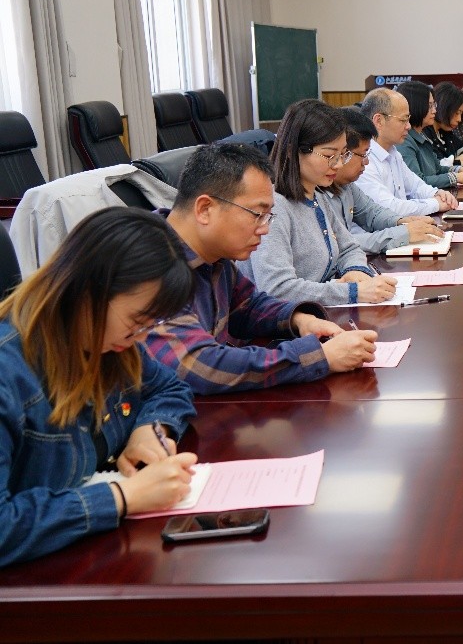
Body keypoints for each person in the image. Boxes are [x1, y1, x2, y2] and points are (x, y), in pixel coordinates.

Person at [0, 207, 199, 566]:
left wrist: (150, 429)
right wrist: (122, 497)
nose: (141, 337)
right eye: (137, 321)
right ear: (87, 291)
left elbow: (169, 388)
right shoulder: (9, 372)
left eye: (150, 325)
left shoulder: (108, 344)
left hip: (90, 558)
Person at [146, 143, 377, 394]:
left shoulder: (214, 256)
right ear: (204, 209)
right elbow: (200, 365)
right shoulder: (148, 264)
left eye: (268, 216)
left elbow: (248, 306)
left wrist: (300, 320)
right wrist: (319, 357)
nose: (265, 229)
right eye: (257, 214)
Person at [243, 99, 397, 307]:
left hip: (317, 312)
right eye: (329, 155)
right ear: (293, 150)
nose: (338, 164)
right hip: (281, 322)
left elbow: (348, 248)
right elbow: (277, 288)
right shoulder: (274, 208)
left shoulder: (317, 195)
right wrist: (352, 292)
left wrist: (356, 270)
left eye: (343, 155)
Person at [332, 105, 446, 255]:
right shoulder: (314, 193)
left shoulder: (347, 186)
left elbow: (372, 213)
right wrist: (403, 233)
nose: (366, 161)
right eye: (363, 155)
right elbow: (341, 244)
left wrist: (402, 221)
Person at [359, 88, 461, 215]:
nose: (408, 126)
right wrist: (435, 204)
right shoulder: (363, 159)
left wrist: (437, 194)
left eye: (408, 119)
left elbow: (416, 186)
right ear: (379, 121)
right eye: (403, 120)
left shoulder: (393, 151)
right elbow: (389, 207)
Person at [395, 82, 463, 188]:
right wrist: (456, 177)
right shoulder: (405, 140)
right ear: (416, 106)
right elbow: (417, 182)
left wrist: (459, 169)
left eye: (434, 105)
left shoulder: (422, 135)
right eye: (430, 106)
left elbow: (438, 169)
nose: (435, 111)